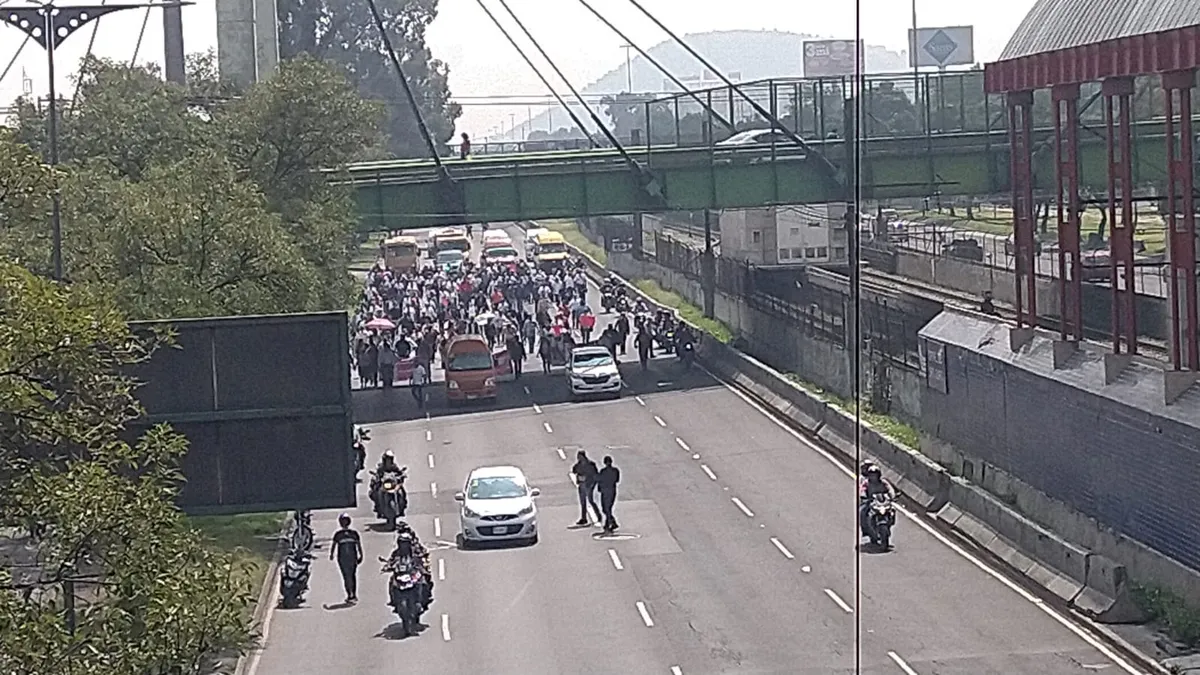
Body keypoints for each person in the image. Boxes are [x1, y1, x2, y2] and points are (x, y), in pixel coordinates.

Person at [330, 513, 363, 603]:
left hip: (348, 558)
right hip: (347, 558)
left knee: (348, 576)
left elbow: (358, 546)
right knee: (350, 576)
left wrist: (331, 555)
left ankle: (351, 594)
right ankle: (351, 594)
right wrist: (361, 555)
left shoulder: (343, 534)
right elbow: (334, 545)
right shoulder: (344, 534)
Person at [858, 462, 895, 537]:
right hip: (870, 502)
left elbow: (890, 489)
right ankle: (865, 529)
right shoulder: (866, 483)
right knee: (862, 511)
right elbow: (862, 490)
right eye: (871, 475)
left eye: (875, 475)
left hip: (882, 502)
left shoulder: (883, 482)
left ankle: (889, 523)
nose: (873, 477)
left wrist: (892, 496)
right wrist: (863, 496)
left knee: (892, 510)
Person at [571, 451, 601, 526]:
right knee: (583, 502)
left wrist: (592, 483)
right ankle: (583, 518)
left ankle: (598, 515)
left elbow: (595, 475)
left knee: (591, 500)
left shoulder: (590, 464)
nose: (578, 458)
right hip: (581, 484)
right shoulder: (578, 465)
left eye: (580, 456)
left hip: (588, 484)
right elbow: (574, 470)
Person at [596, 455, 621, 533]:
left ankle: (612, 522)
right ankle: (609, 523)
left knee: (606, 508)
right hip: (611, 490)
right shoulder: (615, 471)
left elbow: (600, 480)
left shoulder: (603, 471)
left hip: (606, 491)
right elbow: (617, 480)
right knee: (607, 508)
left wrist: (600, 487)